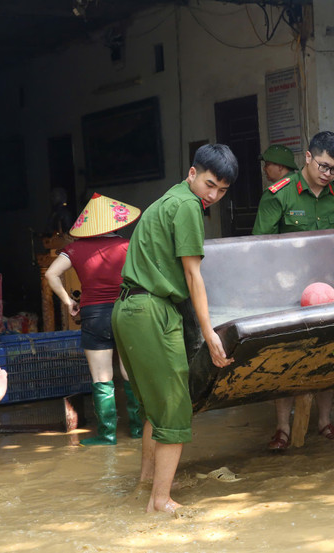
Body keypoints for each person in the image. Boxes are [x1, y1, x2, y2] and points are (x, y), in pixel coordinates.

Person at [112, 143, 238, 514]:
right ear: (192, 173)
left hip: (129, 309)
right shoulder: (187, 206)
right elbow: (193, 274)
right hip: (151, 311)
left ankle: (148, 484)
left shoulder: (168, 199)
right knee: (174, 407)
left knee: (155, 407)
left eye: (222, 191)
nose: (213, 196)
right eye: (210, 185)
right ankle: (160, 502)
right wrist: (210, 332)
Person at [252, 131, 334, 450]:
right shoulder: (279, 195)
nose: (328, 174)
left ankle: (324, 422)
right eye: (323, 166)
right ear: (308, 157)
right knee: (287, 358)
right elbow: (260, 249)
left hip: (329, 292)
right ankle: (282, 428)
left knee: (329, 355)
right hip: (287, 293)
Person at [45, 193, 143, 446]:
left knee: (101, 377)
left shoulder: (74, 249)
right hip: (127, 312)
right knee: (131, 374)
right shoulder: (129, 245)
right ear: (115, 222)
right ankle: (137, 430)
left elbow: (51, 274)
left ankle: (107, 435)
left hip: (94, 316)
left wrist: (68, 301)